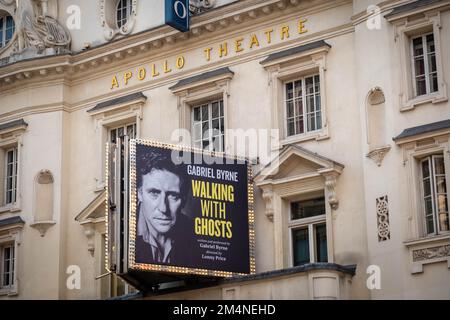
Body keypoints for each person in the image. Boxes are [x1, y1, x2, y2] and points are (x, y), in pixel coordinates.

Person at [135, 149, 196, 266]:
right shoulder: (124, 234)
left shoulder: (195, 235)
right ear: (140, 194)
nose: (163, 208)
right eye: (154, 193)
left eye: (173, 195)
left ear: (183, 200)